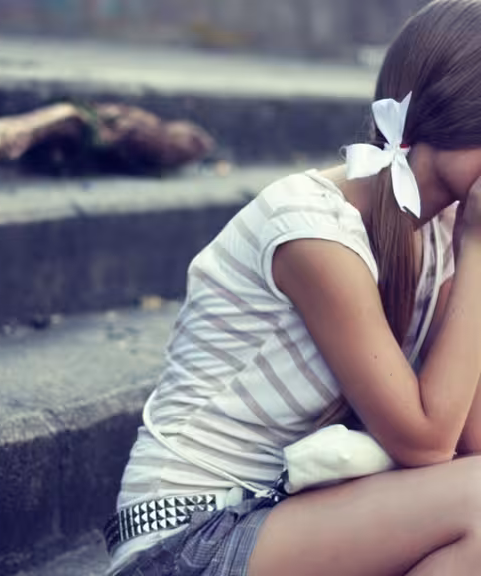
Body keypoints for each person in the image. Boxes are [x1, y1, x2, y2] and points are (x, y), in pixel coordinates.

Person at [103, 1, 481, 574]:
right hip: (185, 539)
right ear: (459, 116)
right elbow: (425, 443)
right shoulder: (312, 229)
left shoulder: (442, 234)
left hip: (288, 518)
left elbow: (468, 439)